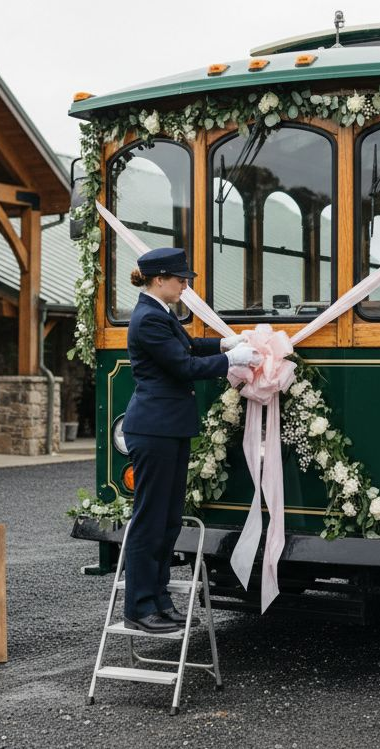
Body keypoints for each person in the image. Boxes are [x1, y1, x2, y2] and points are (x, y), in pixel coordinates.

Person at [120, 246, 258, 634]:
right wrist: (232, 361)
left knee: (167, 520)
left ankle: (160, 600)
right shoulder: (148, 318)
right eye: (181, 279)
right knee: (150, 519)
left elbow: (189, 347)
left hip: (170, 428)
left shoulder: (161, 313)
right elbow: (182, 365)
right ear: (159, 279)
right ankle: (139, 606)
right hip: (153, 428)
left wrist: (222, 345)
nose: (185, 285)